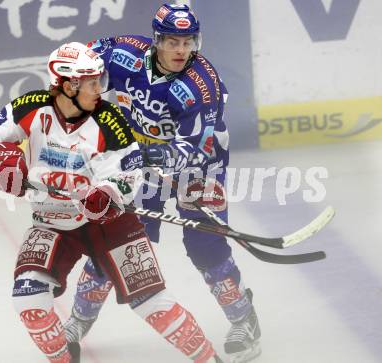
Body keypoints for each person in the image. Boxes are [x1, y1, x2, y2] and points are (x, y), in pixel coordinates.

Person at [0, 41, 224, 363]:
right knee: (28, 299)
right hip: (52, 223)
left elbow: (129, 170)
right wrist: (0, 159)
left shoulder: (110, 121)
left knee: (153, 303)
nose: (100, 89)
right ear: (68, 85)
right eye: (92, 82)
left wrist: (108, 193)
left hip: (111, 225)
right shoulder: (30, 107)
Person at [64, 3, 261, 363]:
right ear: (156, 41)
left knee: (206, 249)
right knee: (118, 244)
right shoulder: (124, 54)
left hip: (202, 168)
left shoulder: (200, 84)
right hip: (145, 167)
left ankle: (244, 320)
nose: (181, 51)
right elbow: (79, 62)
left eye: (188, 42)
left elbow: (197, 146)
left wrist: (151, 158)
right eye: (172, 41)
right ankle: (77, 322)